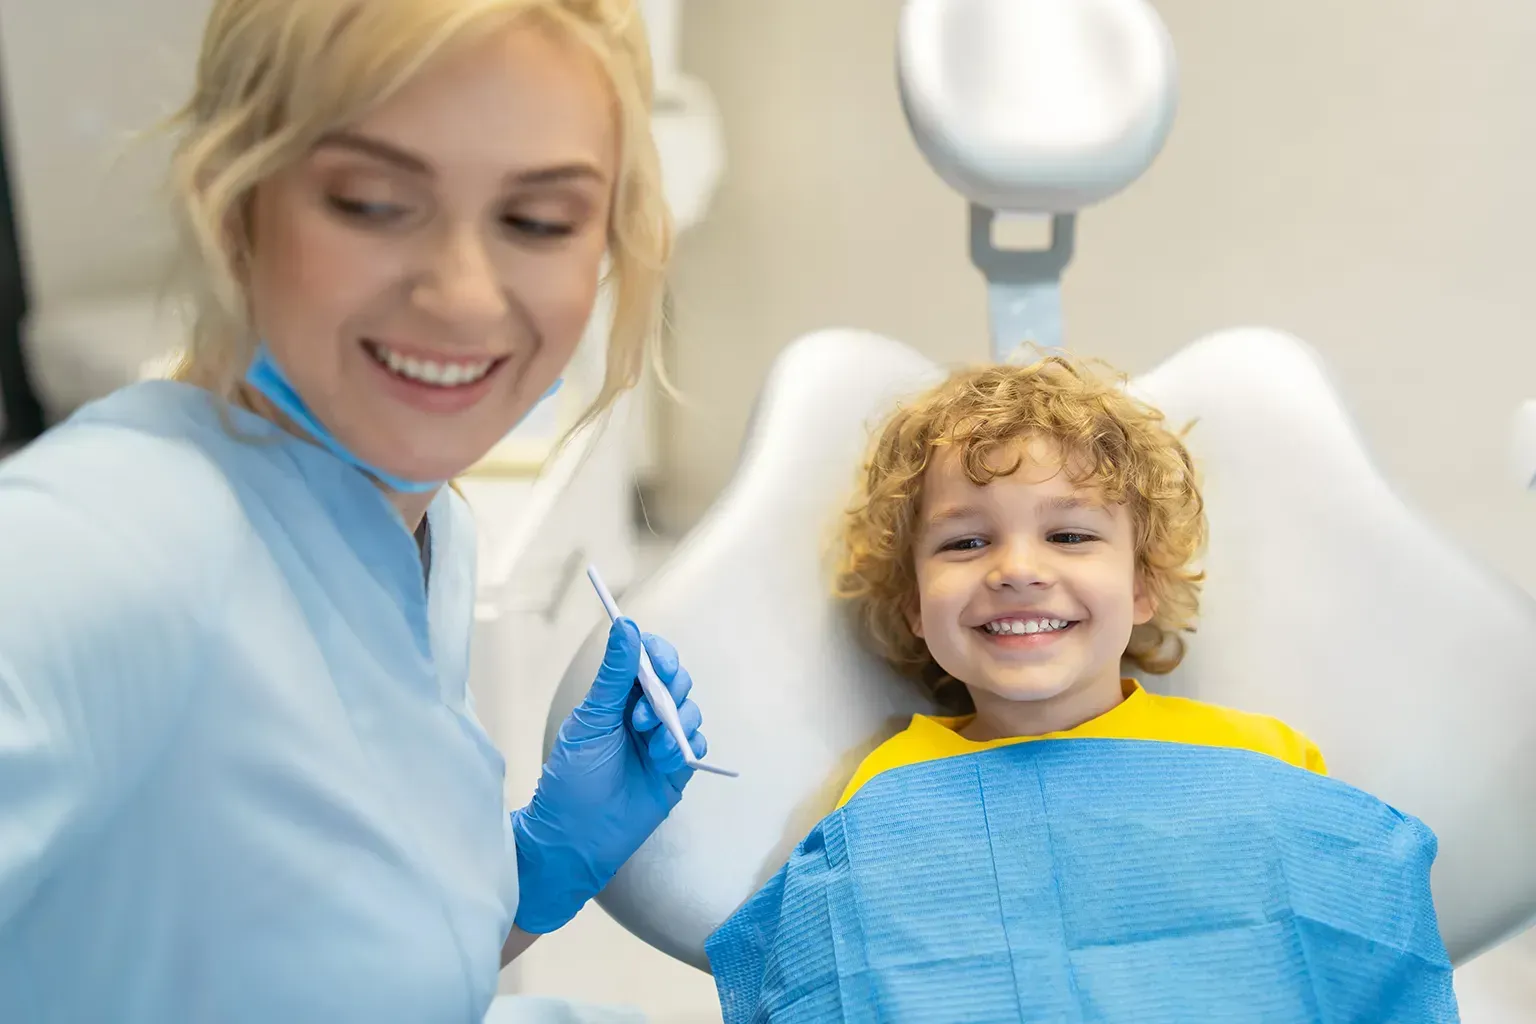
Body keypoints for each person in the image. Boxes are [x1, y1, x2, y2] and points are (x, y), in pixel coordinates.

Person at [0, 2, 709, 1021]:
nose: (464, 296)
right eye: (373, 202)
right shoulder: (107, 544)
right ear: (237, 195)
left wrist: (529, 873)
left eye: (538, 221)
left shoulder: (423, 528)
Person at [705, 355, 1459, 1022]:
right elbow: (850, 982)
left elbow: (1344, 957)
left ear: (1142, 586)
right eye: (965, 542)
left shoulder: (1263, 757)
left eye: (1069, 535)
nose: (1017, 569)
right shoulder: (890, 789)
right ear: (913, 604)